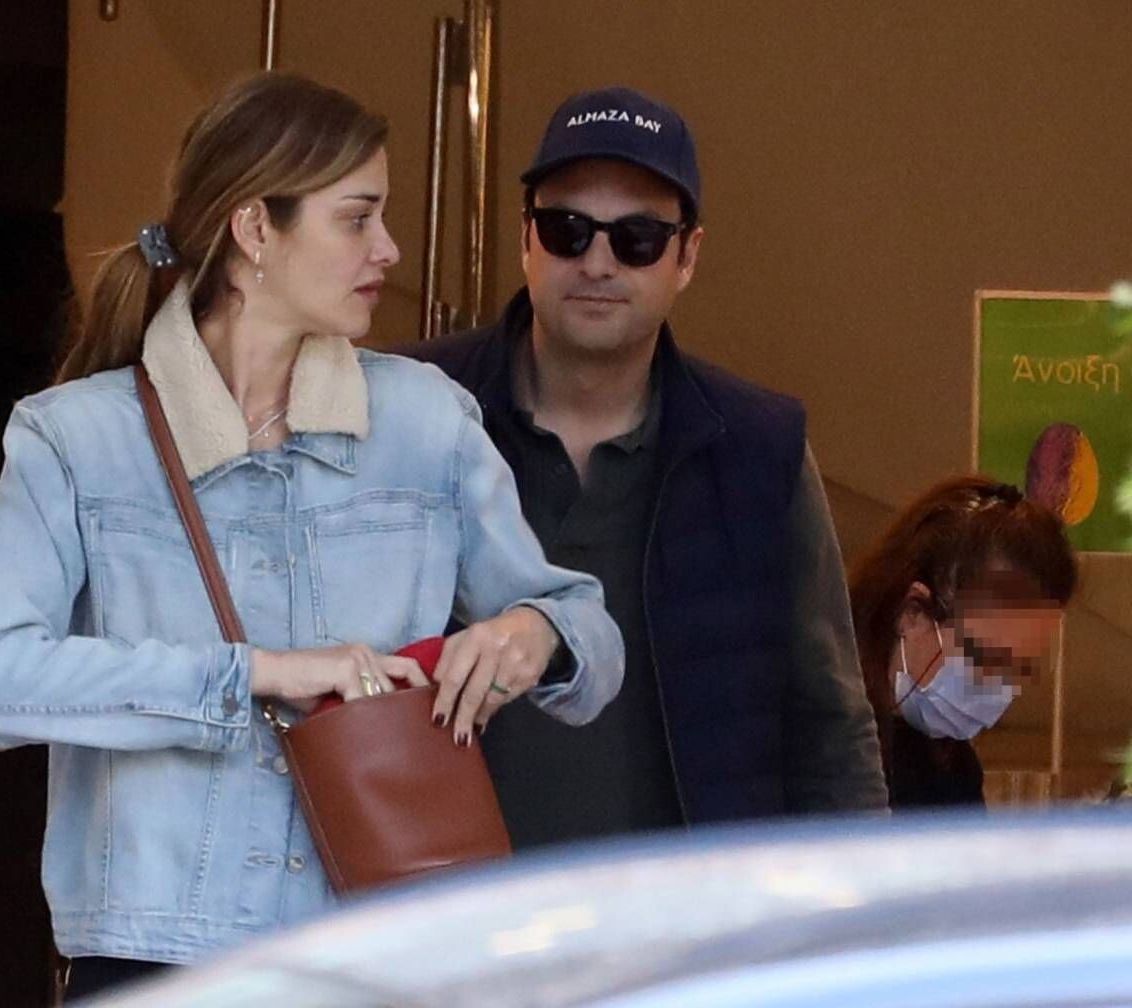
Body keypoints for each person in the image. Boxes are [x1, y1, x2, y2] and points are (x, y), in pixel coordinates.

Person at [0, 73, 622, 1000]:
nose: (389, 249)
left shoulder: (427, 422)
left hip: (375, 960)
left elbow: (589, 631)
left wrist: (534, 633)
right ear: (256, 229)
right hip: (152, 963)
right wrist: (254, 673)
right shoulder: (75, 438)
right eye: (357, 218)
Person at [406, 85, 887, 844]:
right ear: (525, 237)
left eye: (637, 238)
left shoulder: (759, 450)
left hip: (691, 908)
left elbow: (829, 724)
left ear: (687, 256)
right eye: (567, 230)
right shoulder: (412, 410)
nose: (597, 262)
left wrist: (856, 896)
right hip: (447, 900)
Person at [848, 476, 1076, 808]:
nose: (999, 689)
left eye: (1019, 669)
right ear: (912, 613)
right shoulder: (819, 744)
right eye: (989, 658)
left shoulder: (952, 766)